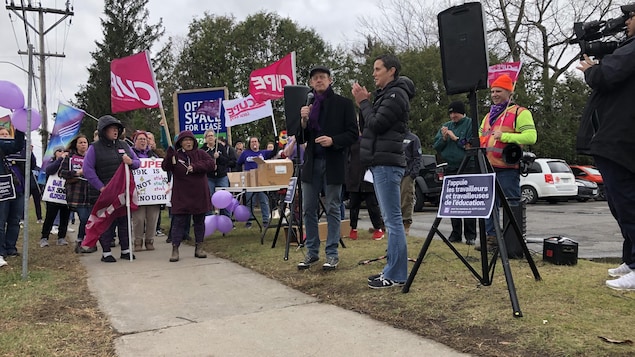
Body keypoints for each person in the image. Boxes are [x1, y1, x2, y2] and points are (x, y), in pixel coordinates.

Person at [577, 3, 635, 291]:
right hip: (615, 138)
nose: (626, 23)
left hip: (621, 138)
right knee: (619, 202)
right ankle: (630, 259)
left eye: (631, 17)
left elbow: (606, 75)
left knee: (628, 202)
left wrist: (591, 70)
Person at [352, 54, 415, 288]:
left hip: (388, 163)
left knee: (393, 220)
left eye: (378, 69)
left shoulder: (396, 94)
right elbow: (368, 126)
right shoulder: (386, 95)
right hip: (380, 162)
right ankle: (391, 269)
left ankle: (397, 275)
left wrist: (363, 103)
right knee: (391, 220)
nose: (373, 73)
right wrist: (366, 104)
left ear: (392, 71)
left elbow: (377, 124)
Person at [297, 65, 358, 271]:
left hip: (333, 162)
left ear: (330, 80)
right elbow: (300, 138)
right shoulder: (307, 105)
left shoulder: (343, 104)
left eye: (322, 77)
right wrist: (304, 121)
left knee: (333, 207)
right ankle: (312, 252)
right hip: (311, 163)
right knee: (308, 209)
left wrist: (333, 140)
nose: (318, 81)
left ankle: (332, 253)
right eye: (314, 78)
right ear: (311, 83)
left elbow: (353, 134)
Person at [477, 74, 537, 252]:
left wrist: (504, 136)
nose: (494, 94)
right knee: (489, 205)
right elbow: (482, 137)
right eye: (492, 91)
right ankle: (492, 239)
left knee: (512, 204)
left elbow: (531, 137)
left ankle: (513, 242)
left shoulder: (520, 112)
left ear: (509, 92)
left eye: (499, 91)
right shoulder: (488, 116)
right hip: (488, 167)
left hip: (507, 168)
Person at [82, 115, 141, 262]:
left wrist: (131, 162)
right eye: (112, 129)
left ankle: (126, 250)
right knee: (106, 222)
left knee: (124, 221)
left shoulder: (124, 145)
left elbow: (137, 162)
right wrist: (101, 187)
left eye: (117, 129)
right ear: (103, 130)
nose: (115, 131)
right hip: (104, 193)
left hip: (122, 192)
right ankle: (106, 252)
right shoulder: (94, 148)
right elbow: (88, 169)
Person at [161, 130, 215, 262]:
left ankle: (199, 248)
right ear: (180, 142)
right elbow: (165, 167)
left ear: (194, 142)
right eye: (185, 140)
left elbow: (211, 164)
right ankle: (175, 249)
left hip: (199, 193)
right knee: (178, 222)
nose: (188, 142)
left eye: (190, 140)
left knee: (199, 222)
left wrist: (195, 167)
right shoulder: (176, 155)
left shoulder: (201, 153)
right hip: (181, 194)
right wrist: (169, 156)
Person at [433, 101, 477, 245]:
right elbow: (436, 146)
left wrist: (455, 138)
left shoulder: (470, 123)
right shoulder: (446, 126)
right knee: (453, 201)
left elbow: (471, 146)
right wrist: (444, 138)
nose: (453, 116)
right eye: (451, 113)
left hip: (468, 166)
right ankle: (455, 233)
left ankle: (470, 235)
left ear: (462, 112)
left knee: (467, 202)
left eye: (455, 113)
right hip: (451, 167)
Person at [59, 134, 99, 253]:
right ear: (76, 145)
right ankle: (80, 241)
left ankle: (86, 242)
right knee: (84, 218)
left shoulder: (93, 157)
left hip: (91, 192)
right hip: (77, 192)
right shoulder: (70, 158)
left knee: (91, 219)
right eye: (80, 143)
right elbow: (62, 173)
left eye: (85, 142)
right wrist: (78, 173)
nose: (83, 145)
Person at [345, 135, 384, 240]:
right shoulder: (351, 141)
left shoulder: (372, 140)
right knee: (353, 205)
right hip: (354, 177)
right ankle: (353, 228)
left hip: (368, 177)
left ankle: (378, 228)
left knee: (372, 205)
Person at [130, 130, 161, 251]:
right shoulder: (131, 154)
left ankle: (150, 240)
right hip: (138, 192)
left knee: (153, 218)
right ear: (135, 141)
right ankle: (138, 241)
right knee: (138, 218)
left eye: (145, 139)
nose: (143, 141)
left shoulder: (154, 155)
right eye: (140, 139)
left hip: (153, 193)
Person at [0, 127, 25, 267]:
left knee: (14, 220)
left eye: (6, 134)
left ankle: (11, 248)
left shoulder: (17, 151)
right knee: (1, 221)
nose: (4, 137)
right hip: (2, 190)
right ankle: (1, 251)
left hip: (17, 189)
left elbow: (17, 145)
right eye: (1, 135)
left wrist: (21, 127)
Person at [236, 136, 274, 228]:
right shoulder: (245, 153)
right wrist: (241, 175)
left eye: (255, 141)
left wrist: (276, 142)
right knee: (250, 201)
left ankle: (266, 221)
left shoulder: (263, 153)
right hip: (250, 180)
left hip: (261, 180)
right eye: (252, 142)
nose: (254, 143)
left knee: (264, 200)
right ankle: (249, 221)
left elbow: (274, 152)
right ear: (250, 144)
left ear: (259, 143)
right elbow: (238, 163)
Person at [39, 147, 72, 248]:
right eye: (59, 151)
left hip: (65, 194)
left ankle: (61, 237)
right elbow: (49, 170)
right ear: (55, 153)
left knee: (65, 217)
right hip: (53, 195)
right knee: (50, 216)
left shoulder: (69, 163)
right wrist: (60, 159)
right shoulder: (52, 162)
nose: (62, 153)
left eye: (64, 151)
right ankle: (44, 237)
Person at [202, 129, 234, 214]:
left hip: (221, 176)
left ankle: (226, 218)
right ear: (205, 138)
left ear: (215, 137)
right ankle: (208, 218)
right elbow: (201, 164)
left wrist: (219, 156)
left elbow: (227, 161)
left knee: (224, 197)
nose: (210, 138)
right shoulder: (202, 150)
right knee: (208, 198)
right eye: (208, 136)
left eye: (212, 136)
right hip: (209, 177)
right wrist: (210, 166)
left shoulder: (220, 147)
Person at [401, 129, 422, 236]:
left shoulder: (413, 138)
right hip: (395, 172)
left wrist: (413, 174)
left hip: (407, 174)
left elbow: (417, 157)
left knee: (407, 199)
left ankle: (406, 224)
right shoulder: (393, 137)